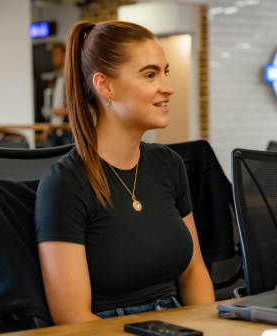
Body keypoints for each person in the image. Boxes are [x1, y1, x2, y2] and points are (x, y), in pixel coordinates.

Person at [35, 21, 215, 325]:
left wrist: (208, 328)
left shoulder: (168, 164)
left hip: (178, 325)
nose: (168, 87)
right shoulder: (64, 184)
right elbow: (73, 318)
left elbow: (193, 271)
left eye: (165, 72)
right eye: (149, 75)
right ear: (105, 85)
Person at [44, 43, 73, 146]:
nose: (53, 58)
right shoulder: (55, 78)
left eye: (56, 54)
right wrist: (47, 127)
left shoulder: (73, 78)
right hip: (54, 129)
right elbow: (51, 104)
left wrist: (66, 111)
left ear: (65, 55)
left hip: (68, 129)